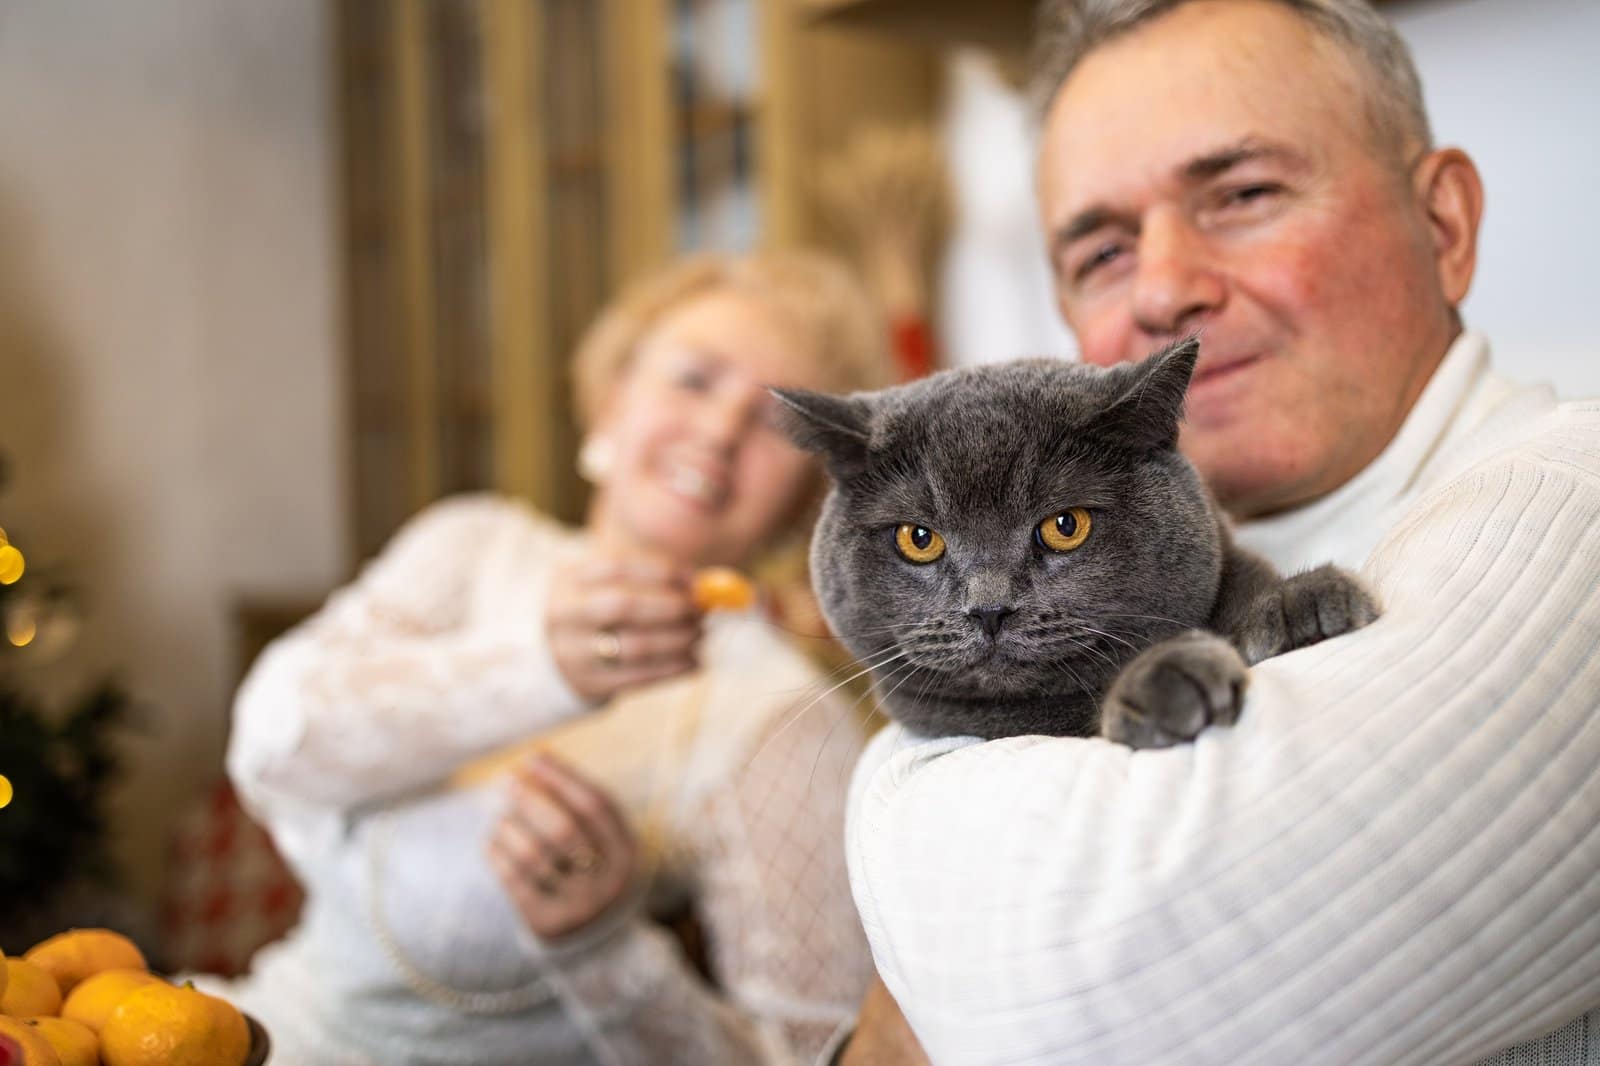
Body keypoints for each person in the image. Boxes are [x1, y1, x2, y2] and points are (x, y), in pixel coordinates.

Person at [840, 1, 1600, 1063]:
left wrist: (890, 786)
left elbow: (1073, 1012)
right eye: (1103, 250)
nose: (1162, 290)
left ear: (1444, 227)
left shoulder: (1573, 503)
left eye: (1242, 195)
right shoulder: (1155, 575)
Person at [219, 250, 893, 1065]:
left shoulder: (783, 719)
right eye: (693, 379)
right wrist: (539, 669)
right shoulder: (470, 548)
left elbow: (811, 1058)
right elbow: (270, 749)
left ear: (809, 492)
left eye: (774, 422)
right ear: (612, 402)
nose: (718, 432)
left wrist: (601, 947)